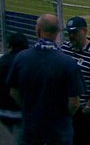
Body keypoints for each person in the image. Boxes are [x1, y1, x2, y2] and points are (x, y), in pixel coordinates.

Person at [7, 14, 84, 145]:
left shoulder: (21, 58)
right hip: (59, 128)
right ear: (57, 33)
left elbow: (14, 92)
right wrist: (63, 115)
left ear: (37, 31)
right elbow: (74, 103)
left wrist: (29, 108)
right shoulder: (68, 63)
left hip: (31, 125)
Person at [61, 16, 90, 145]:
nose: (71, 36)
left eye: (75, 33)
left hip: (82, 110)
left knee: (83, 140)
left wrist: (88, 106)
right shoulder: (65, 48)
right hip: (64, 107)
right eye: (69, 33)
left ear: (85, 31)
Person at [0, 32, 29, 144]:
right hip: (21, 113)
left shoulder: (3, 61)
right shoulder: (27, 62)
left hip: (3, 112)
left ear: (10, 46)